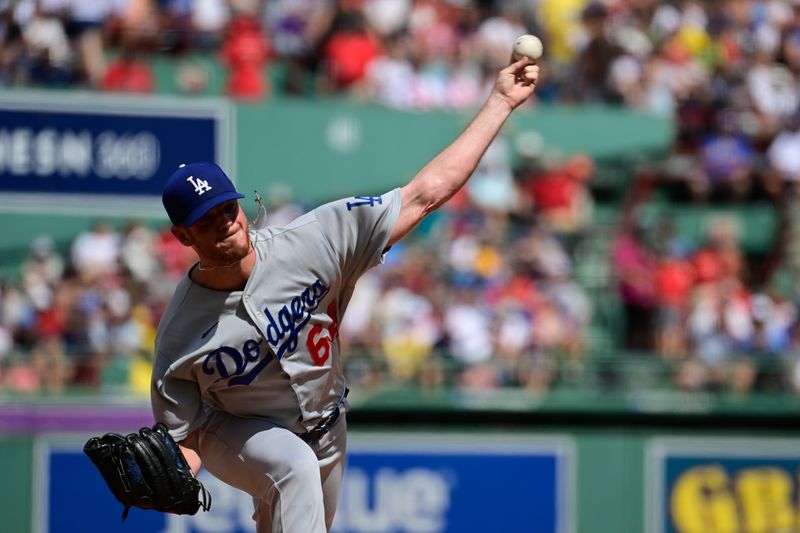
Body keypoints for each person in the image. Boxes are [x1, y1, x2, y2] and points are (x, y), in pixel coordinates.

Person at [150, 55, 539, 532]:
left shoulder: (317, 240)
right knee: (291, 464)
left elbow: (425, 194)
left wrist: (500, 101)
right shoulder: (179, 334)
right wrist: (175, 475)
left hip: (329, 427)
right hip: (233, 433)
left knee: (300, 495)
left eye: (226, 209)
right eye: (206, 221)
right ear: (182, 236)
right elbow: (182, 438)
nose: (225, 224)